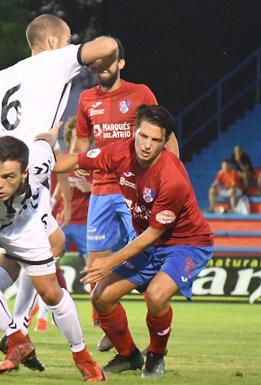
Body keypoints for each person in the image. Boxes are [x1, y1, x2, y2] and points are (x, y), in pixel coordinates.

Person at [0, 13, 119, 376]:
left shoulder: (4, 75)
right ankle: (14, 332)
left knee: (32, 252)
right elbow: (107, 46)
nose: (69, 47)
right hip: (25, 175)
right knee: (34, 253)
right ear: (51, 42)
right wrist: (105, 67)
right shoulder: (56, 59)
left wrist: (3, 144)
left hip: (8, 168)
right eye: (66, 41)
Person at [56, 105, 214, 379]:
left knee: (156, 295)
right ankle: (129, 355)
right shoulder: (119, 152)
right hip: (149, 242)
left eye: (155, 140)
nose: (147, 145)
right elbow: (78, 159)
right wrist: (35, 164)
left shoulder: (171, 179)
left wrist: (110, 261)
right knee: (101, 298)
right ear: (134, 132)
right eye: (143, 136)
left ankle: (156, 355)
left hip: (185, 243)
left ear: (165, 142)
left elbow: (153, 234)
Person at [0, 135, 105, 381]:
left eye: (8, 177)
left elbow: (46, 139)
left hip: (24, 220)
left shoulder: (39, 163)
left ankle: (82, 355)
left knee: (51, 291)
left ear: (26, 172)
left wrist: (50, 135)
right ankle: (17, 338)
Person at [69, 38, 179, 353]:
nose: (102, 68)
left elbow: (165, 135)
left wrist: (174, 175)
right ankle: (113, 333)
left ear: (121, 64)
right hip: (101, 190)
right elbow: (81, 140)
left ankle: (157, 338)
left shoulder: (140, 93)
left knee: (147, 261)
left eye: (109, 61)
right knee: (95, 266)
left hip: (134, 188)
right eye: (96, 63)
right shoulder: (87, 99)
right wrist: (81, 165)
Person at [34, 117, 91, 331]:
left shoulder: (91, 159)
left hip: (85, 222)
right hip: (60, 220)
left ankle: (99, 314)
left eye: (85, 133)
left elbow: (105, 189)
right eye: (78, 132)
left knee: (94, 267)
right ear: (69, 134)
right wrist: (55, 204)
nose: (81, 136)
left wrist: (91, 188)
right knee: (47, 265)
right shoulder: (60, 157)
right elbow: (59, 184)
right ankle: (45, 313)